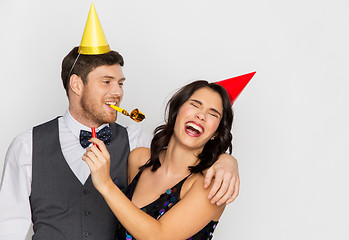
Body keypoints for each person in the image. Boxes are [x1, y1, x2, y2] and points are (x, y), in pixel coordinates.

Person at [0, 4, 240, 240]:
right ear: (76, 84)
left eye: (121, 83)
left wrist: (227, 161)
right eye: (107, 82)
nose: (118, 92)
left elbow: (186, 156)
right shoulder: (26, 146)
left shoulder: (136, 142)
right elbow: (8, 229)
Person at [83, 80, 237, 239]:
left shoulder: (211, 185)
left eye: (213, 113)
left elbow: (160, 236)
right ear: (177, 110)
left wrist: (106, 184)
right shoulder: (139, 159)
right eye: (195, 105)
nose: (201, 115)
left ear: (216, 133)